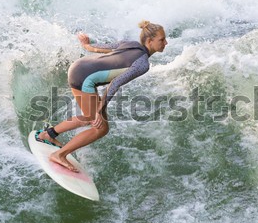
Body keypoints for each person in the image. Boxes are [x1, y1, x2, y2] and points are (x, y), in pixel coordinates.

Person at [36, 20, 168, 171]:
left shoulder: (130, 43)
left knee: (91, 117)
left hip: (79, 67)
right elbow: (115, 84)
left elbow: (102, 48)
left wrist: (86, 46)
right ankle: (59, 155)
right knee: (100, 127)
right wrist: (100, 110)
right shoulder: (142, 64)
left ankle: (48, 134)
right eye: (162, 39)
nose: (166, 42)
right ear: (150, 41)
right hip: (84, 77)